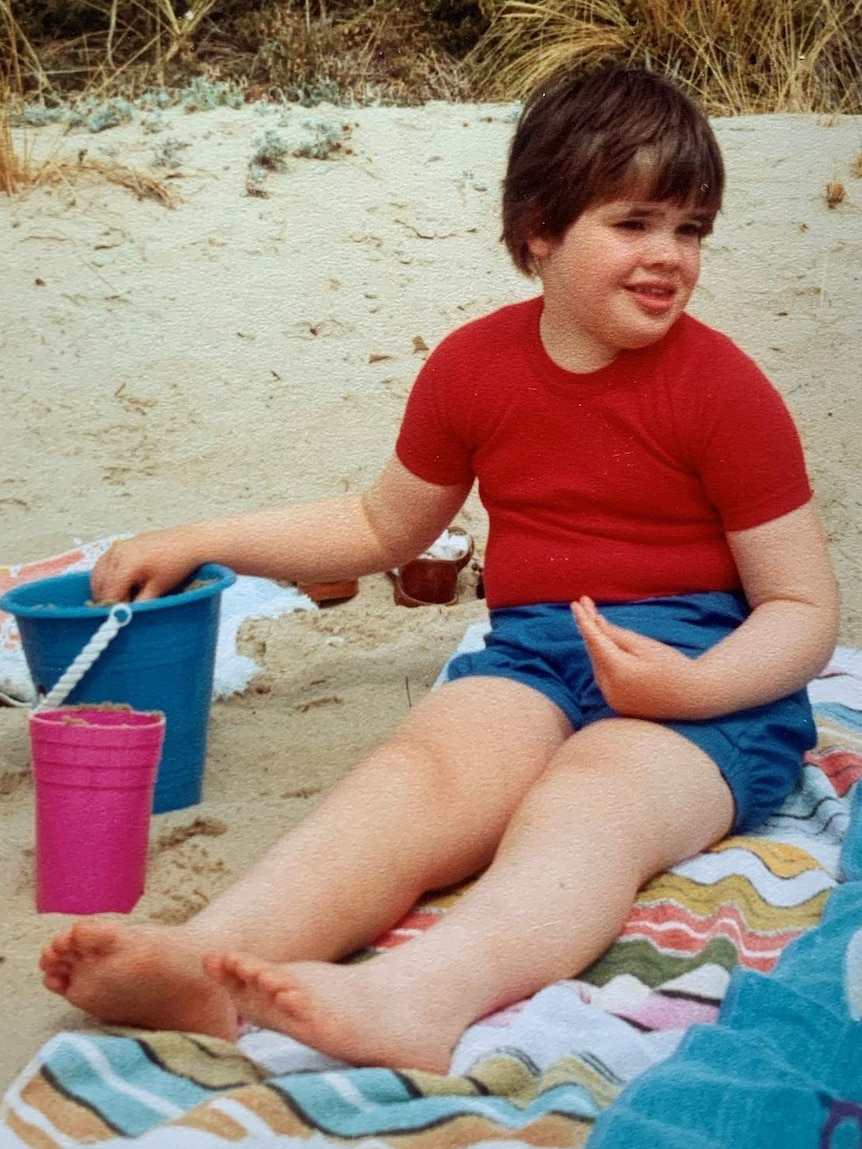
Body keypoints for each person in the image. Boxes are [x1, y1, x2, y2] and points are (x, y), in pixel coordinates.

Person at [39, 66, 839, 1075]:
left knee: (586, 803)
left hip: (711, 684)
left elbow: (803, 607)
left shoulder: (723, 390)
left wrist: (693, 684)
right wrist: (204, 539)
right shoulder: (474, 369)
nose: (668, 257)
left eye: (690, 229)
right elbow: (380, 525)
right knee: (416, 777)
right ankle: (210, 957)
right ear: (540, 230)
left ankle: (419, 995)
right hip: (538, 652)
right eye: (634, 222)